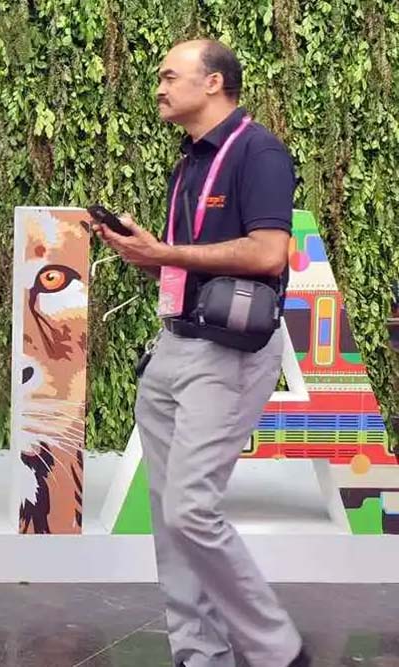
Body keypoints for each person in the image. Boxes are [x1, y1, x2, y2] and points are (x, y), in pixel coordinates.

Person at [92, 40, 311, 667]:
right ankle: (199, 655)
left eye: (169, 76)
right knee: (168, 519)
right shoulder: (190, 161)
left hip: (228, 355)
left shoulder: (258, 152)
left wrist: (165, 254)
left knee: (190, 511)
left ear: (213, 83)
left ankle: (278, 651)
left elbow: (269, 253)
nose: (158, 87)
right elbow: (190, 260)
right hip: (173, 347)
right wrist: (147, 249)